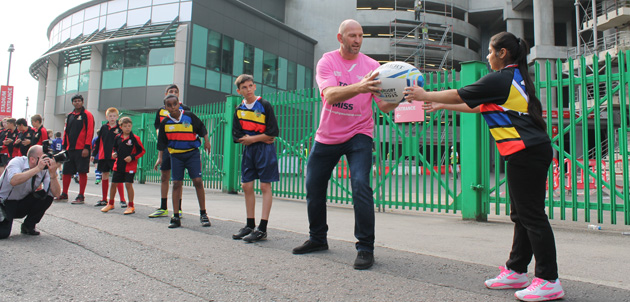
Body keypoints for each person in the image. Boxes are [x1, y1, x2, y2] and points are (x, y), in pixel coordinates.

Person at [404, 32, 564, 301]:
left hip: (526, 152)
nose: (488, 56)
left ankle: (549, 279)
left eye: (490, 51)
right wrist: (443, 105)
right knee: (522, 215)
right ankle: (516, 270)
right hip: (525, 152)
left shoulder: (501, 78)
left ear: (502, 53)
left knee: (532, 216)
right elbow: (479, 107)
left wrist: (424, 93)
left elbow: (460, 93)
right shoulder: (512, 78)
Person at [292, 19, 400, 270]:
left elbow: (383, 106)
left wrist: (399, 95)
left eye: (360, 36)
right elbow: (329, 94)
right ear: (340, 38)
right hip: (327, 135)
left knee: (361, 184)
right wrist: (360, 86)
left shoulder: (373, 66)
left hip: (359, 133)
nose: (357, 40)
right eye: (352, 35)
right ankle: (318, 239)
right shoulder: (327, 61)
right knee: (313, 185)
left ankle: (365, 248)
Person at [231, 74, 280, 243]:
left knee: (265, 185)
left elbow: (273, 132)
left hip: (265, 150)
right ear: (239, 91)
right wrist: (256, 138)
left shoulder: (264, 105)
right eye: (244, 87)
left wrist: (253, 138)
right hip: (249, 150)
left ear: (255, 86)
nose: (248, 89)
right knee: (246, 185)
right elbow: (236, 135)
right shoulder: (239, 109)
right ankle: (249, 224)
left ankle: (263, 228)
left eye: (251, 85)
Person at [156, 94, 211, 228]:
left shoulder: (189, 116)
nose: (172, 107)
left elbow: (202, 128)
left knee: (197, 181)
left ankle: (203, 214)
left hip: (192, 154)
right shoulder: (165, 123)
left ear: (178, 104)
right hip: (176, 156)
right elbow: (162, 143)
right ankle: (175, 216)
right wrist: (160, 157)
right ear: (165, 107)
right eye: (169, 105)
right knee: (176, 184)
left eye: (174, 104)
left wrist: (207, 141)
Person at [0, 145, 61, 239]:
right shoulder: (17, 162)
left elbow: (56, 194)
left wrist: (53, 175)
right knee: (3, 234)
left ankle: (29, 225)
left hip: (21, 202)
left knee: (47, 196)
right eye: (43, 158)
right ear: (32, 159)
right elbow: (14, 180)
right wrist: (37, 169)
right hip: (4, 203)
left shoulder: (44, 169)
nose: (46, 160)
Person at [150, 84, 190, 218]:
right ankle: (163, 207)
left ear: (178, 95)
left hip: (180, 147)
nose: (173, 93)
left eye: (175, 91)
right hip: (166, 148)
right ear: (165, 94)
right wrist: (160, 135)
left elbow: (190, 126)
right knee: (164, 177)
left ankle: (178, 208)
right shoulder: (161, 111)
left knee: (178, 180)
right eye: (170, 91)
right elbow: (157, 126)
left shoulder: (185, 109)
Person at [101, 117, 145, 215]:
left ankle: (131, 206)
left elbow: (142, 151)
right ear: (120, 127)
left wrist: (132, 157)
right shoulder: (117, 137)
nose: (127, 128)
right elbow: (115, 148)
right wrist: (114, 153)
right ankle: (110, 203)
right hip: (118, 165)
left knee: (128, 184)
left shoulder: (135, 138)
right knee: (113, 184)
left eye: (129, 126)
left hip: (130, 166)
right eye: (125, 126)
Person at [59, 94, 95, 204]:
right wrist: (64, 147)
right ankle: (64, 194)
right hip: (70, 149)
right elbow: (66, 132)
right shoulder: (69, 116)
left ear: (82, 102)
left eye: (79, 101)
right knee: (66, 172)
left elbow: (90, 131)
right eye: (75, 101)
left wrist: (87, 147)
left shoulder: (87, 115)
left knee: (82, 172)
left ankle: (81, 196)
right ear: (72, 103)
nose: (77, 102)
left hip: (82, 149)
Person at [92, 108, 126, 207]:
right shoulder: (103, 128)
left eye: (114, 116)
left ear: (117, 117)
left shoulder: (120, 128)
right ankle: (104, 199)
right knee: (104, 175)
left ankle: (122, 200)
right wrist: (94, 154)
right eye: (110, 116)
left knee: (117, 176)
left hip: (115, 156)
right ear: (107, 117)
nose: (112, 118)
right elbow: (98, 142)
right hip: (103, 156)